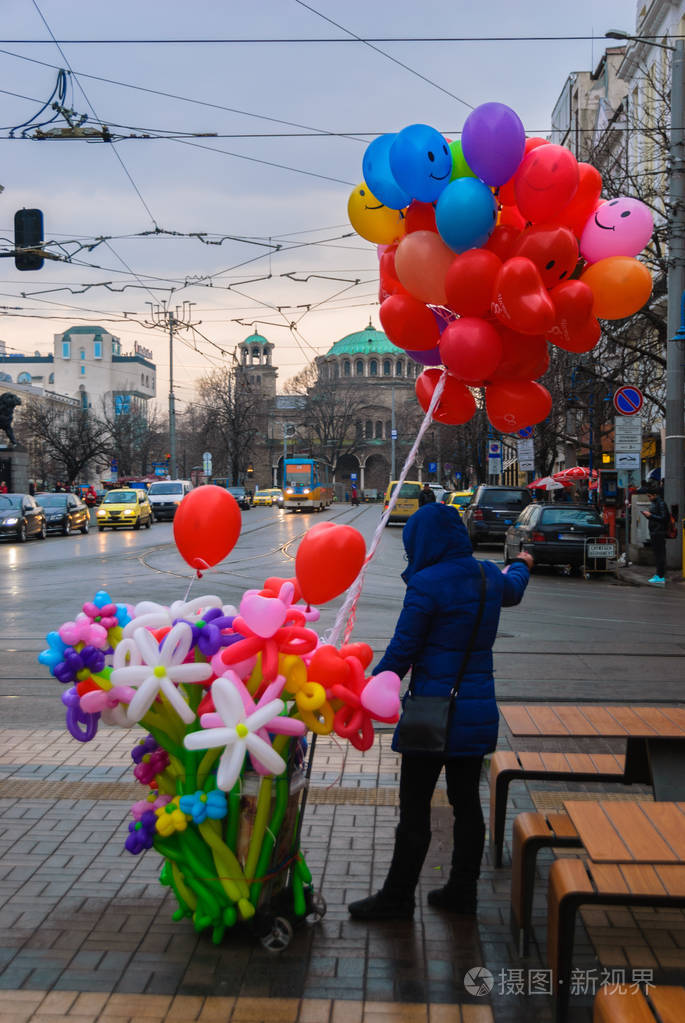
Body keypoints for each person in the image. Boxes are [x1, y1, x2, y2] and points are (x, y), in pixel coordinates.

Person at [348, 503, 532, 922]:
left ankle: (396, 898)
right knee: (467, 804)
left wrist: (371, 684)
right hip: (476, 711)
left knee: (414, 808)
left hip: (431, 715)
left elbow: (403, 648)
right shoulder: (487, 576)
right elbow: (515, 586)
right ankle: (461, 890)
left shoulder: (428, 583)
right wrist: (522, 563)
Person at [641, 481, 670, 586]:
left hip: (659, 532)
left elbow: (664, 518)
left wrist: (650, 516)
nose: (649, 498)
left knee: (660, 555)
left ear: (655, 495)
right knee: (657, 555)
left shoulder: (661, 503)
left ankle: (660, 576)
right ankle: (659, 574)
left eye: (649, 496)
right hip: (654, 532)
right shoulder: (655, 503)